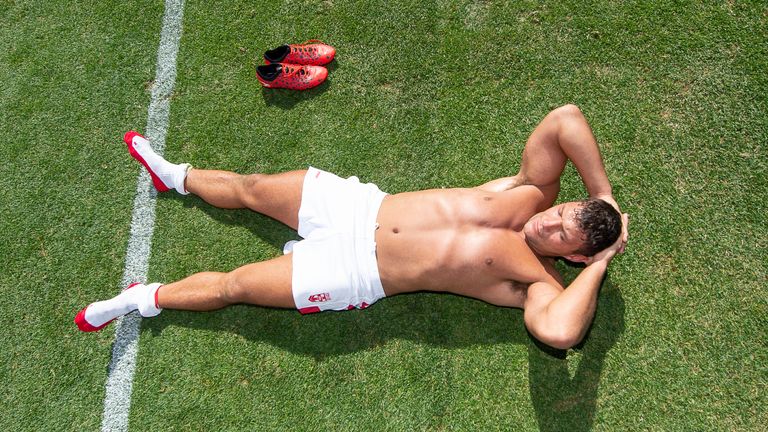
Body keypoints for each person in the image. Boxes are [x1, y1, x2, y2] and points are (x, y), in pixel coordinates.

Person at [75, 104, 629, 349]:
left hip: (356, 273)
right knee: (252, 188)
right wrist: (603, 195)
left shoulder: (538, 283)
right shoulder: (530, 192)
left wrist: (601, 264)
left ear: (575, 257)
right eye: (561, 212)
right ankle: (177, 177)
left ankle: (145, 298)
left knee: (236, 286)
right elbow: (566, 119)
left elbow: (559, 332)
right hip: (358, 207)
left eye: (563, 235)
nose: (548, 223)